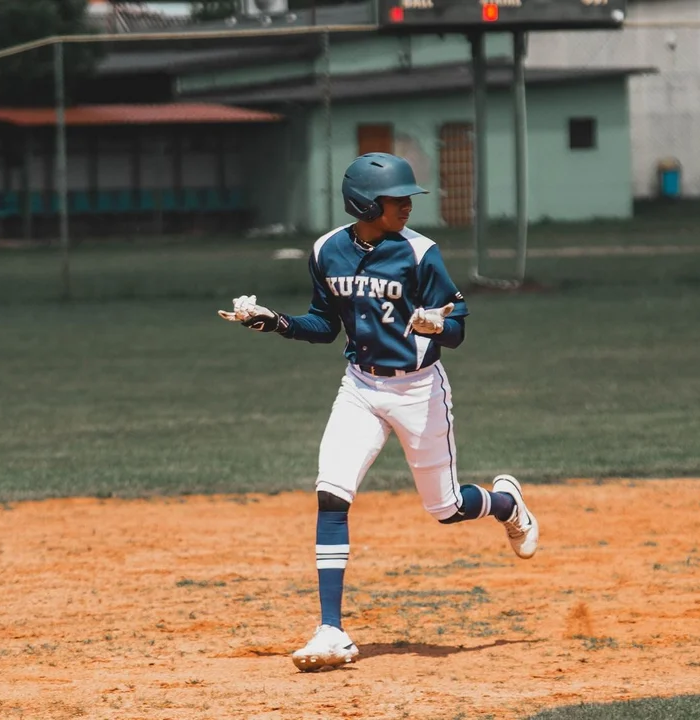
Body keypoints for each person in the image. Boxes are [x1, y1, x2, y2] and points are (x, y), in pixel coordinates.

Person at [217, 152, 539, 672]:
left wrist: (438, 328)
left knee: (446, 508)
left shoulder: (421, 254)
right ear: (366, 203)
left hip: (418, 392)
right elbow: (325, 325)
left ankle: (506, 504)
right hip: (360, 388)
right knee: (331, 493)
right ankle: (331, 631)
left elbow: (457, 330)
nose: (408, 206)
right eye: (398, 199)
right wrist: (272, 321)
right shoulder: (326, 251)